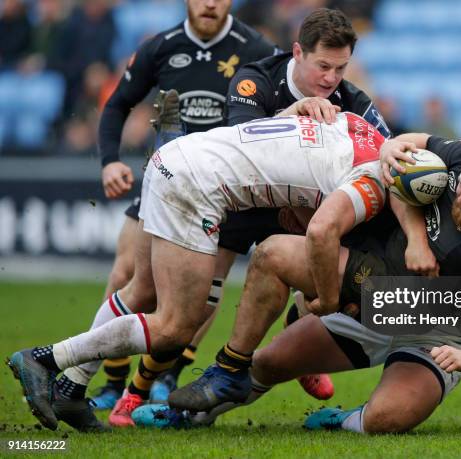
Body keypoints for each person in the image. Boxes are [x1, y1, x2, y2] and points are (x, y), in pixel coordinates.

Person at [6, 111, 387, 433]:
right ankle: (43, 359)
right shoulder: (372, 177)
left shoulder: (355, 125)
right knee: (176, 325)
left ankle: (72, 388)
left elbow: (302, 179)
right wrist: (329, 299)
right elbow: (321, 232)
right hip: (196, 186)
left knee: (141, 291)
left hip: (176, 158)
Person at [165, 132, 461, 435]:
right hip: (379, 285)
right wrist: (394, 159)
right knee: (270, 332)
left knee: (387, 419)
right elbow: (401, 157)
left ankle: (341, 420)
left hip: (437, 335)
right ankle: (219, 384)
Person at [93, 0, 277, 420]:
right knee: (128, 276)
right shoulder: (161, 47)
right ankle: (111, 381)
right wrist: (110, 161)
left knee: (203, 293)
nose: (210, 3)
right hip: (165, 180)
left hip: (223, 191)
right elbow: (118, 103)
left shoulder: (256, 47)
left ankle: (167, 375)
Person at [210, 6, 392, 402]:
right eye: (323, 66)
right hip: (248, 203)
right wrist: (294, 114)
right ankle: (155, 381)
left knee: (328, 272)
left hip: (304, 212)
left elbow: (385, 153)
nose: (330, 79)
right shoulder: (255, 79)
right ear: (298, 52)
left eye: (340, 69)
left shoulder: (354, 101)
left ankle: (295, 358)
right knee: (196, 302)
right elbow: (238, 144)